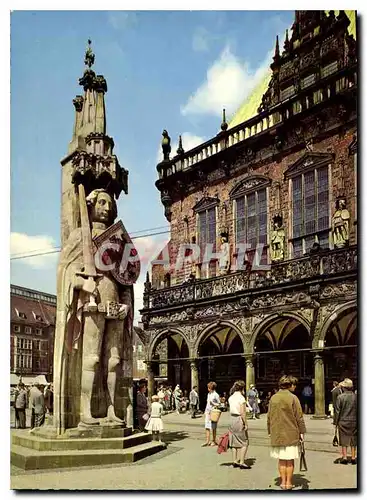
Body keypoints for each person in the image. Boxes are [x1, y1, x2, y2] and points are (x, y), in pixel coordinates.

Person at [53, 188, 134, 432]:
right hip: (92, 305)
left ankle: (111, 409)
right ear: (90, 205)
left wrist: (126, 304)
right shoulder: (81, 235)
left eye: (109, 203)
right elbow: (65, 271)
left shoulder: (117, 239)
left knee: (114, 361)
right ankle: (85, 411)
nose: (106, 207)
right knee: (92, 358)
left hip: (115, 306)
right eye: (100, 202)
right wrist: (82, 283)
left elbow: (127, 277)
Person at [268, 375, 306, 490]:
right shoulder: (293, 398)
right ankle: (289, 483)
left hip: (277, 433)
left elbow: (269, 416)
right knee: (289, 460)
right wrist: (302, 431)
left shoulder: (273, 398)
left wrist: (270, 430)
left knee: (281, 460)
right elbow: (299, 417)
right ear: (289, 385)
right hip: (291, 433)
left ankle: (282, 482)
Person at [228, 380, 251, 469]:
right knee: (244, 441)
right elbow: (243, 412)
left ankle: (234, 460)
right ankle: (242, 461)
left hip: (231, 419)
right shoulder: (241, 398)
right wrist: (245, 423)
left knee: (233, 440)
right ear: (242, 389)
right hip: (238, 419)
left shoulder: (231, 397)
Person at [334, 378, 357, 465]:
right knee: (353, 439)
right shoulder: (356, 397)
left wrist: (336, 422)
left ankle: (344, 457)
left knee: (343, 440)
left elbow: (337, 411)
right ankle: (353, 457)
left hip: (343, 421)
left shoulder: (340, 397)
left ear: (344, 388)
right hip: (354, 421)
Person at [202, 381, 220, 447]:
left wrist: (214, 404)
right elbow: (207, 403)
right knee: (207, 426)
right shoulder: (208, 394)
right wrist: (205, 411)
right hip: (208, 412)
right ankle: (207, 441)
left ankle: (214, 440)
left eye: (209, 387)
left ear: (212, 388)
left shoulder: (216, 395)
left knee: (213, 427)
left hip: (213, 413)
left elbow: (219, 404)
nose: (208, 389)